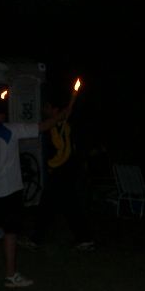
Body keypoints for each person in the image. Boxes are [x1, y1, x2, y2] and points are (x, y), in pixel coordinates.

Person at [0, 96, 60, 288]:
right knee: (10, 232)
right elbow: (42, 127)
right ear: (5, 113)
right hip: (9, 191)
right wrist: (60, 116)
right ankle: (10, 275)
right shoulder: (11, 130)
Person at [31, 90, 95, 251]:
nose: (44, 109)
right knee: (67, 205)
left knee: (50, 205)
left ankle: (36, 239)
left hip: (62, 172)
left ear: (55, 110)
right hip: (64, 172)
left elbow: (63, 151)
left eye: (47, 107)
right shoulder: (56, 125)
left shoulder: (62, 127)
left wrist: (52, 165)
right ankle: (84, 239)